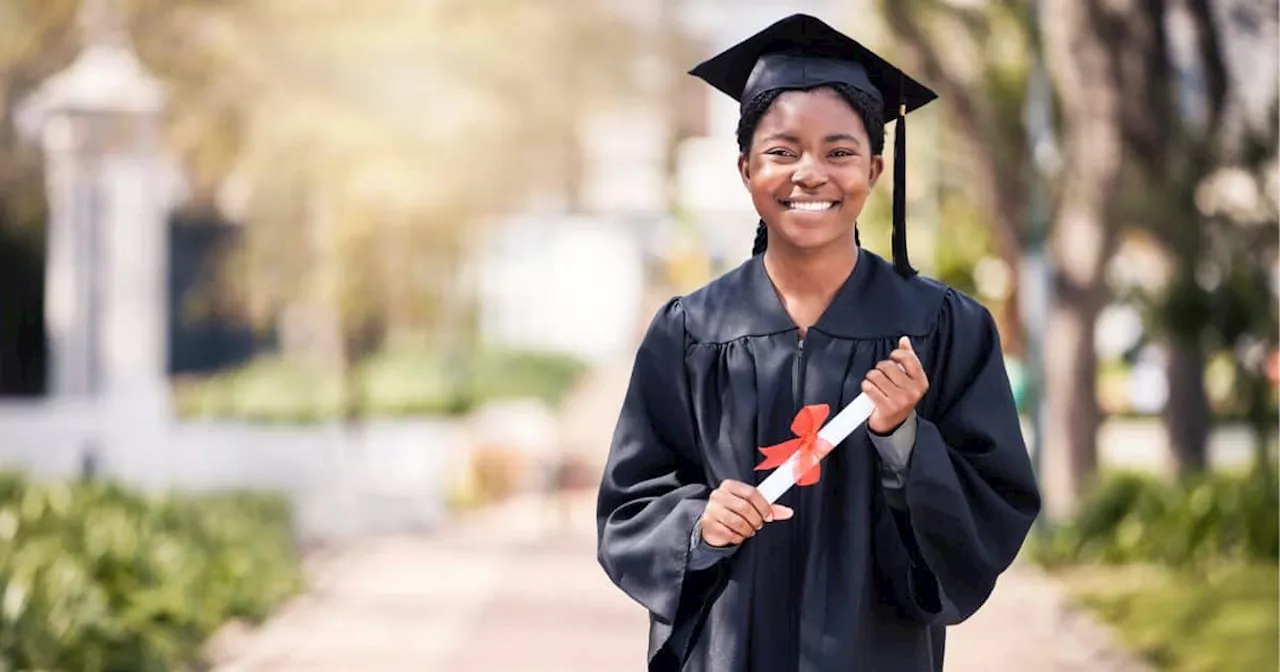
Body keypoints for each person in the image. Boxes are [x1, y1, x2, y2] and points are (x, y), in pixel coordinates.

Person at [595, 13, 1041, 672]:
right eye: (782, 151)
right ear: (746, 168)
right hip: (725, 651)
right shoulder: (689, 331)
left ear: (876, 168)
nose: (810, 173)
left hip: (875, 650)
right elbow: (630, 503)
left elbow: (994, 503)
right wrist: (697, 523)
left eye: (839, 152)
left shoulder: (944, 329)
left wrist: (904, 438)